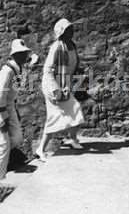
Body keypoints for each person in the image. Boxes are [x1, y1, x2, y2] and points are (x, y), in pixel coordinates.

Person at [0, 39, 34, 187]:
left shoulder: (18, 68)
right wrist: (3, 119)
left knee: (17, 138)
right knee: (4, 143)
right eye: (22, 53)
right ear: (15, 55)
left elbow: (17, 86)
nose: (25, 55)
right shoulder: (7, 72)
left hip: (8, 105)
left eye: (26, 53)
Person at [36, 18, 86, 161]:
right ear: (62, 32)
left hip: (64, 85)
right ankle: (41, 149)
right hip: (53, 86)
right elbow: (47, 70)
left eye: (72, 29)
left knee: (75, 109)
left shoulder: (71, 45)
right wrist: (55, 89)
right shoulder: (57, 47)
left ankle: (73, 139)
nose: (72, 31)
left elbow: (72, 65)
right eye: (68, 29)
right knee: (54, 117)